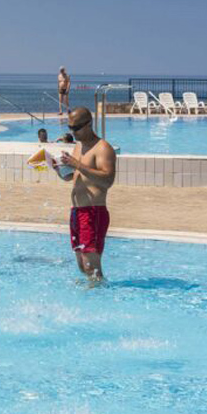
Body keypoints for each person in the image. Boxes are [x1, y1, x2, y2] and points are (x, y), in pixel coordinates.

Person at [57, 108, 116, 284]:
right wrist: (58, 169)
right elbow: (73, 176)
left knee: (92, 268)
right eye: (70, 128)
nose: (73, 132)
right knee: (83, 267)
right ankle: (93, 293)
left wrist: (77, 164)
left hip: (93, 212)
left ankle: (101, 296)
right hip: (76, 212)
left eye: (76, 128)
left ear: (89, 124)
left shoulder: (103, 148)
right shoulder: (79, 146)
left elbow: (107, 180)